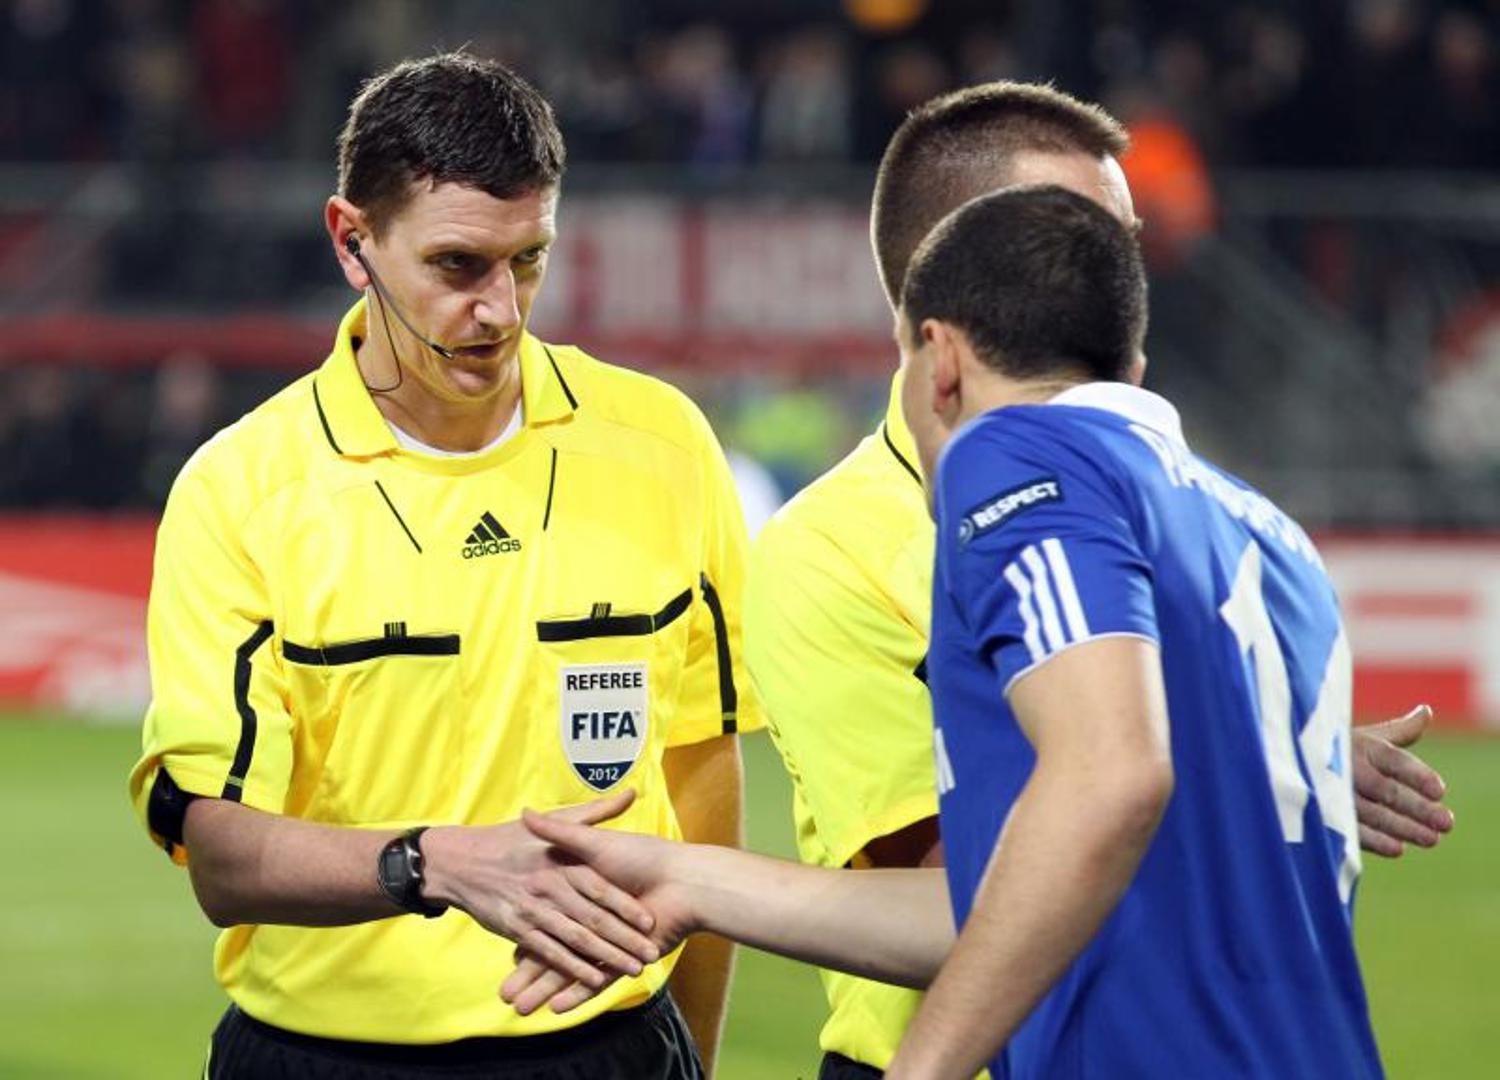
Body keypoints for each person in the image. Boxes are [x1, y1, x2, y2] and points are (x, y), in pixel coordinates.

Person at [506, 183, 1385, 1079]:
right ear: (1134, 358)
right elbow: (1004, 906)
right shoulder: (1265, 533)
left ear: (942, 360)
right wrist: (690, 881)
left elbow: (1111, 775)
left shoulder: (1012, 454)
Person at [742, 82, 1453, 1078]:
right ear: (955, 271)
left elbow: (1115, 790)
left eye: (1125, 240)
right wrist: (1235, 779)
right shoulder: (830, 551)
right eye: (1076, 229)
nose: (1116, 274)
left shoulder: (1163, 497)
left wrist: (1264, 761)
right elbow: (979, 895)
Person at [127, 52, 759, 1079]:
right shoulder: (240, 489)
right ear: (352, 241)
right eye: (459, 265)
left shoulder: (664, 445)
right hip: (322, 1057)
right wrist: (431, 864)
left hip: (612, 1050)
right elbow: (223, 856)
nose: (502, 309)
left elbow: (702, 770)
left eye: (529, 260)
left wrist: (694, 1050)